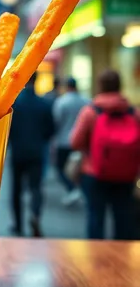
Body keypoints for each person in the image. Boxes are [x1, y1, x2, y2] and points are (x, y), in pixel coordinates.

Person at [71, 70, 140, 240]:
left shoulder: (91, 111)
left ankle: (96, 260)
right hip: (126, 173)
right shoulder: (133, 112)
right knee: (123, 218)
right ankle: (123, 260)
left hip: (94, 171)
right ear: (119, 86)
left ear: (100, 86)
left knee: (96, 217)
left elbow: (75, 142)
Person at [9, 72, 55, 237]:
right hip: (36, 151)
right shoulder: (44, 104)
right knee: (36, 187)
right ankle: (35, 215)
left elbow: (8, 129)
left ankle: (18, 224)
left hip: (18, 151)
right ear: (36, 81)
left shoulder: (15, 103)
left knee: (16, 189)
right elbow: (51, 129)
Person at [53, 77, 89, 206]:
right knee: (79, 168)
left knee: (60, 168)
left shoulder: (62, 102)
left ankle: (72, 188)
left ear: (67, 86)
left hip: (63, 140)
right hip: (81, 142)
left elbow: (56, 121)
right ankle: (77, 189)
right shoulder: (86, 101)